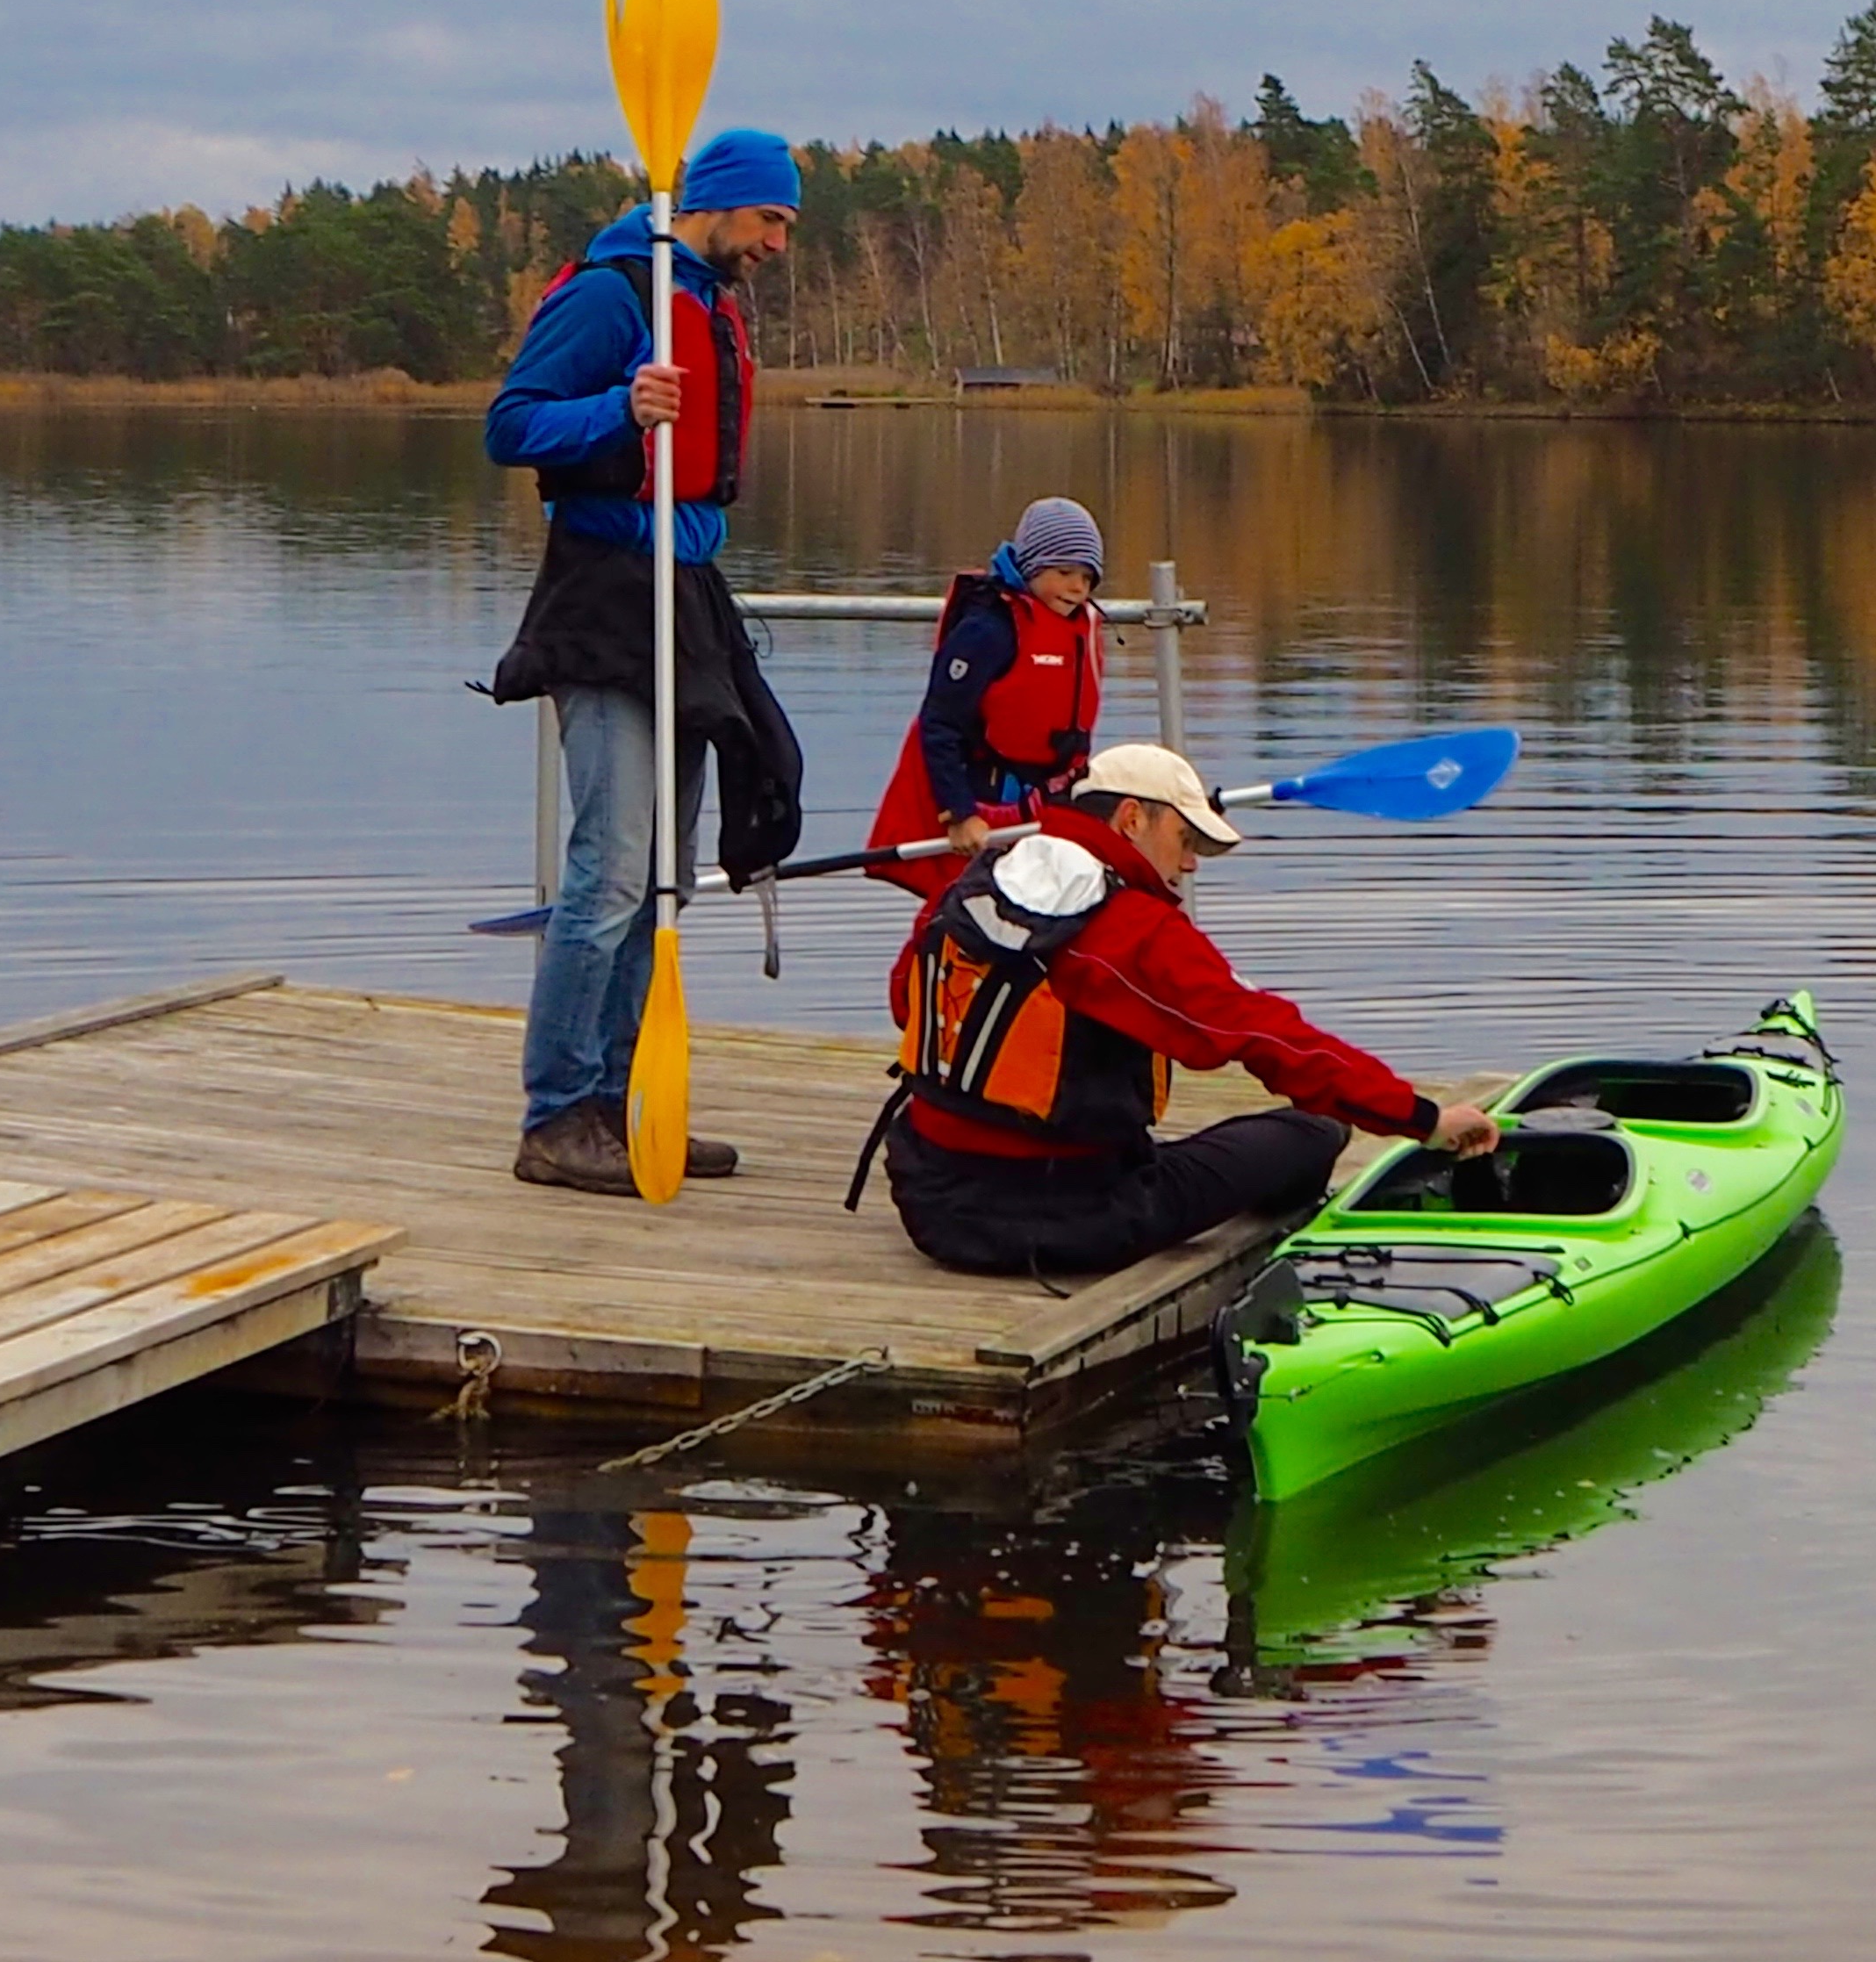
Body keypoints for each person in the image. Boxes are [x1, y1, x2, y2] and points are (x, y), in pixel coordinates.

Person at [483, 129, 809, 1194]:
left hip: (686, 600)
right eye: (770, 220)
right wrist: (619, 407)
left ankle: (628, 1105)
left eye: (786, 227)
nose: (776, 244)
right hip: (604, 598)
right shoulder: (615, 294)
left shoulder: (706, 297)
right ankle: (557, 1117)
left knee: (665, 881)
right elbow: (512, 424)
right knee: (613, 869)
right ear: (714, 204)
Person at [859, 739, 1502, 1276]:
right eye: (1185, 837)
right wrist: (1424, 1119)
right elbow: (1270, 1038)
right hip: (1068, 1223)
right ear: (1132, 819)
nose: (1191, 863)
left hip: (930, 1199)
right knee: (1316, 1131)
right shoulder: (1135, 930)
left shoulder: (975, 882)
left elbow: (902, 1002)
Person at [861, 495, 1110, 898]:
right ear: (1032, 567)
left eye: (1087, 577)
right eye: (1064, 572)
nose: (1077, 587)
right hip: (985, 799)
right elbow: (939, 723)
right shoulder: (987, 630)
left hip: (1044, 800)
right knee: (975, 916)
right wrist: (959, 813)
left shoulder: (1077, 628)